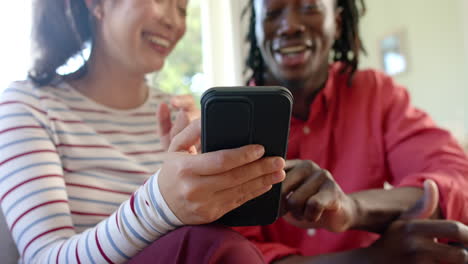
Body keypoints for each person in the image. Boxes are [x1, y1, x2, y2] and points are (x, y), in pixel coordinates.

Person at [0, 0, 286, 263]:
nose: (175, 22)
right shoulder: (29, 105)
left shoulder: (180, 119)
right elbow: (42, 257)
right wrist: (160, 203)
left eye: (183, 9)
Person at [234, 0, 468, 263]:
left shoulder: (375, 93)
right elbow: (234, 254)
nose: (290, 27)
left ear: (337, 22)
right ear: (256, 29)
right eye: (272, 13)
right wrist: (373, 258)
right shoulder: (234, 118)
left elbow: (455, 178)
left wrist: (353, 209)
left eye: (310, 7)